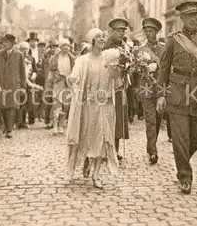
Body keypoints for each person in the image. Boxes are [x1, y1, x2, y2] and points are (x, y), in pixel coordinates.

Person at [156, 0, 197, 194]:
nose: (193, 20)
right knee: (180, 138)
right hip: (178, 93)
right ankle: (185, 175)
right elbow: (163, 69)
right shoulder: (173, 40)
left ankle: (182, 162)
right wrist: (161, 95)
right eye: (190, 16)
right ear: (181, 18)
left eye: (196, 16)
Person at [66, 28, 122, 188]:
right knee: (87, 137)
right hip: (89, 106)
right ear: (92, 41)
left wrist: (119, 71)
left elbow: (117, 81)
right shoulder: (83, 60)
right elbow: (75, 76)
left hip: (106, 105)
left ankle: (96, 174)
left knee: (102, 138)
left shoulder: (109, 59)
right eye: (98, 37)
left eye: (103, 37)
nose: (102, 39)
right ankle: (86, 161)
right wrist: (72, 79)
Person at [137, 17, 165, 165]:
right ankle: (152, 150)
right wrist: (144, 70)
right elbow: (136, 71)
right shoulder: (140, 50)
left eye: (151, 31)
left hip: (161, 89)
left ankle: (152, 145)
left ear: (156, 32)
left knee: (158, 120)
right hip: (147, 88)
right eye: (146, 31)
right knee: (150, 120)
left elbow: (168, 69)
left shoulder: (164, 49)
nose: (148, 34)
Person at [104, 18, 131, 161]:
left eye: (123, 31)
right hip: (107, 86)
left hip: (120, 86)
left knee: (119, 118)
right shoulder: (105, 45)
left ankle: (116, 149)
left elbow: (129, 63)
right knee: (108, 118)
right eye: (118, 31)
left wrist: (127, 67)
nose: (121, 33)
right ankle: (106, 149)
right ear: (112, 31)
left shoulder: (125, 46)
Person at [0, 34, 27, 138]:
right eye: (4, 42)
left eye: (8, 42)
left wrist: (23, 86)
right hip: (2, 84)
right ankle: (6, 125)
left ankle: (9, 129)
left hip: (14, 84)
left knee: (12, 107)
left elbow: (22, 71)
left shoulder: (19, 54)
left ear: (12, 43)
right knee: (3, 106)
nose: (5, 44)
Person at [46, 38, 75, 134]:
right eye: (64, 45)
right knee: (56, 105)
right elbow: (51, 72)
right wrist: (50, 83)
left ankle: (61, 125)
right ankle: (55, 126)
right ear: (60, 47)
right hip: (58, 83)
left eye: (68, 46)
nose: (66, 47)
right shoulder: (55, 58)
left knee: (65, 106)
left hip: (68, 84)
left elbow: (74, 71)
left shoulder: (71, 58)